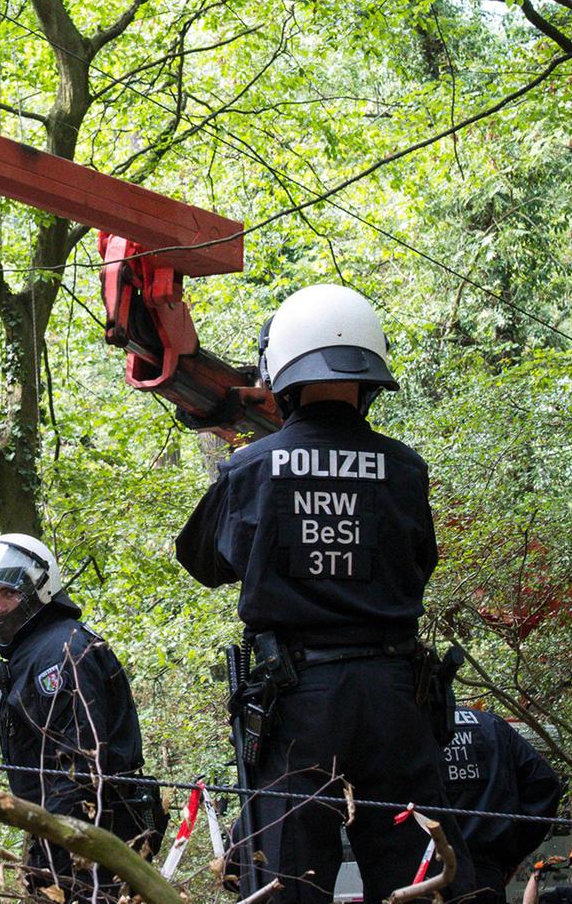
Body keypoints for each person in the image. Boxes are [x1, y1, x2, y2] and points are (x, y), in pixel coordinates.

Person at [174, 282, 476, 902]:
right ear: (369, 380)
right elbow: (421, 563)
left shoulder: (251, 468)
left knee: (286, 876)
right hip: (396, 698)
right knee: (418, 872)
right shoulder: (405, 469)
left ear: (279, 376)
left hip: (296, 704)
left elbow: (203, 562)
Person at [0, 533, 166, 900]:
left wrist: (56, 845)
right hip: (59, 832)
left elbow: (80, 764)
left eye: (8, 593)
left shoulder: (62, 649)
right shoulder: (32, 652)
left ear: (38, 590)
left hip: (91, 836)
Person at [442, 703, 565, 899]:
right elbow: (544, 783)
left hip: (422, 874)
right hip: (485, 874)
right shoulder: (492, 725)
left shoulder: (412, 726)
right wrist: (513, 854)